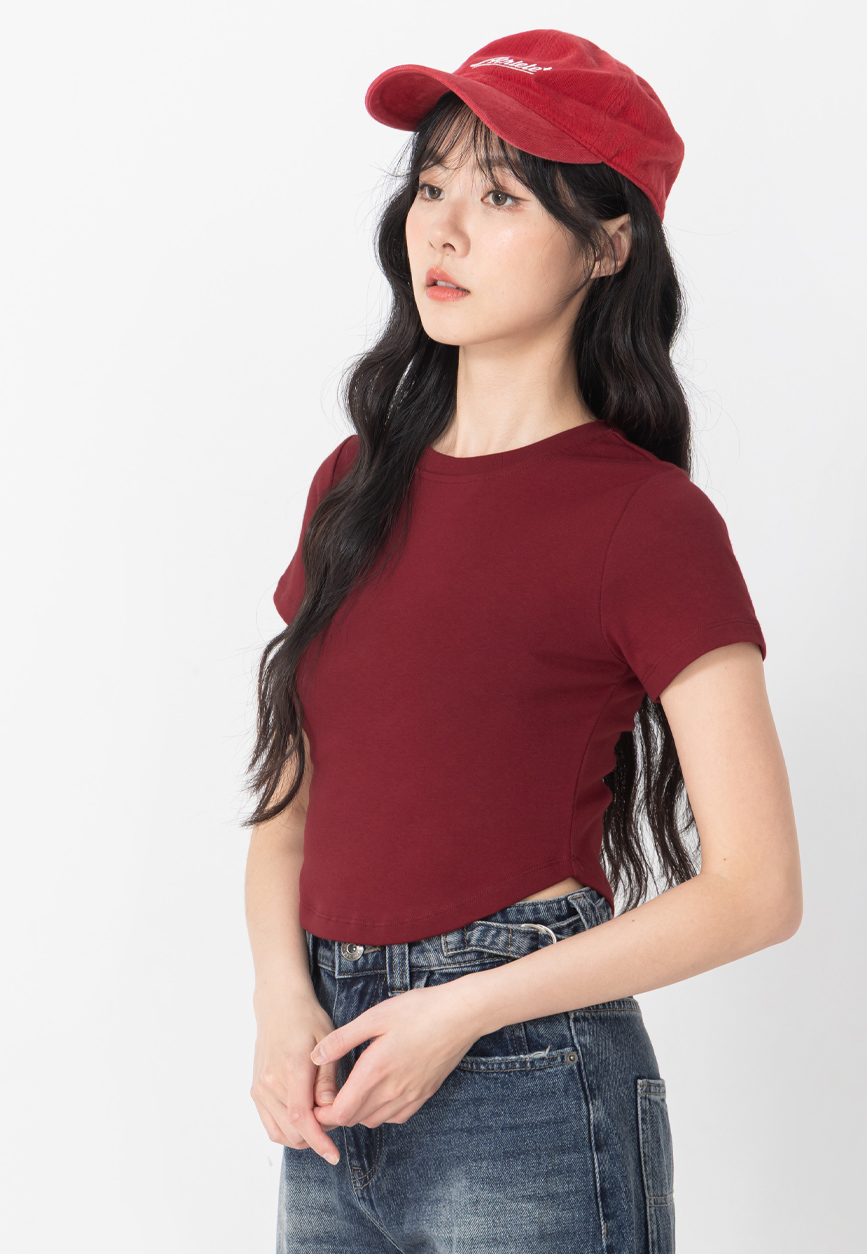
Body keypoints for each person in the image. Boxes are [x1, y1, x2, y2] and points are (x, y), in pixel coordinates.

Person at [242, 27, 802, 1254]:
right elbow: (287, 805)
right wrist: (284, 1006)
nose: (441, 230)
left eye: (500, 196)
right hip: (331, 1083)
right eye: (431, 185)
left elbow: (758, 888)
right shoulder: (351, 485)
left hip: (529, 1083)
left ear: (608, 244)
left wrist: (458, 1011)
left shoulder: (644, 520)